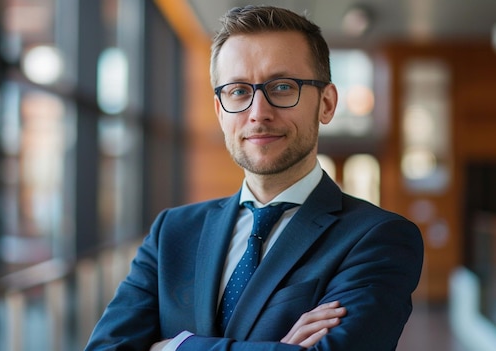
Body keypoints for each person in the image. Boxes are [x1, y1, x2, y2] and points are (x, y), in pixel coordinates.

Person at [85, 5, 423, 351]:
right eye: (238, 91)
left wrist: (175, 347)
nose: (258, 113)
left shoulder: (378, 239)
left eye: (281, 87)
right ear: (219, 111)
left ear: (326, 103)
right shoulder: (172, 232)